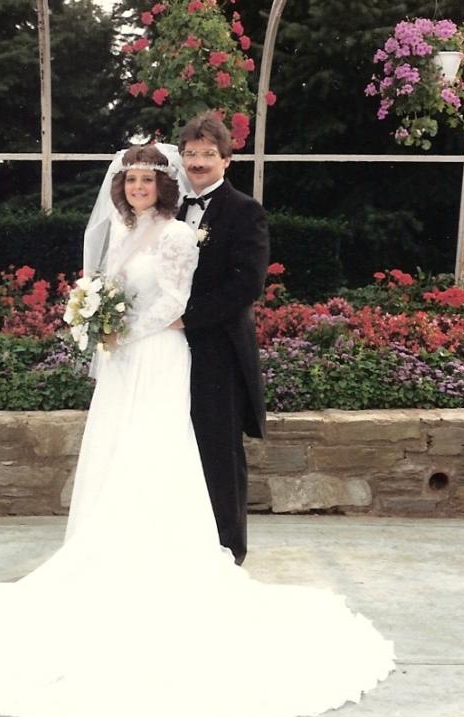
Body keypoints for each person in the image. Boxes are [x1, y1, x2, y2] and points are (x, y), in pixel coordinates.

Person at [0, 144, 395, 717]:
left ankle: (167, 561)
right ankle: (105, 551)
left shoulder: (178, 235)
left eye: (147, 181)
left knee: (156, 452)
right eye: (130, 181)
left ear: (164, 185)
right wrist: (94, 319)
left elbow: (175, 301)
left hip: (158, 355)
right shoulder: (122, 232)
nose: (137, 189)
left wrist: (125, 331)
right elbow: (105, 289)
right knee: (116, 451)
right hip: (123, 361)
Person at [175, 112, 269, 566]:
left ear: (227, 160)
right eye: (191, 153)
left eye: (208, 154)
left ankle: (230, 550)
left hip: (219, 350)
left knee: (220, 449)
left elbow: (248, 284)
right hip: (170, 352)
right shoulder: (169, 208)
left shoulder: (244, 211)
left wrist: (186, 319)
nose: (197, 162)